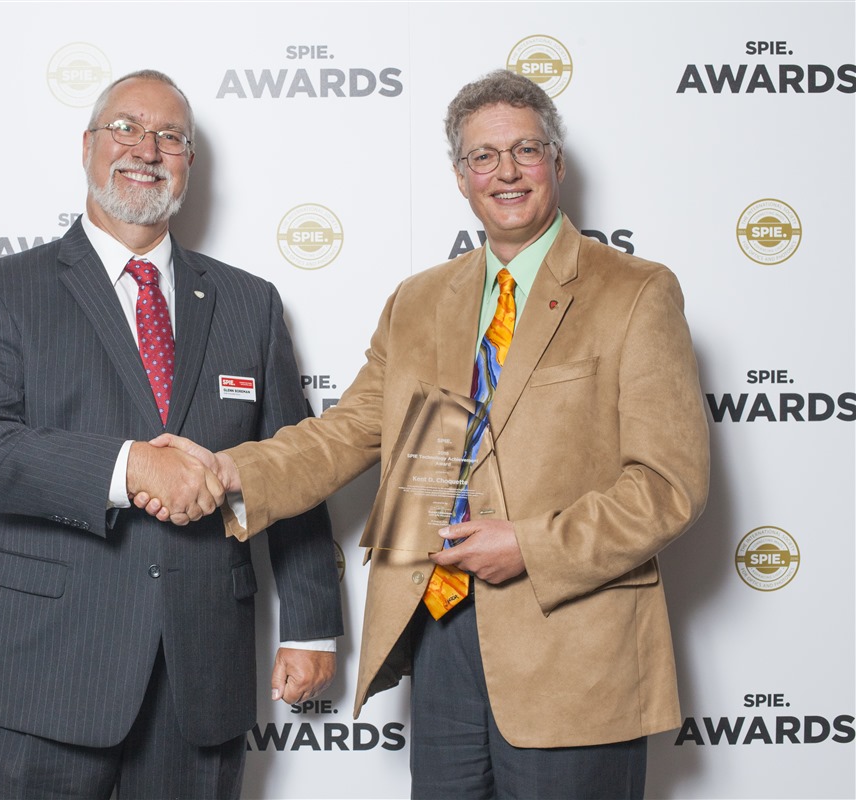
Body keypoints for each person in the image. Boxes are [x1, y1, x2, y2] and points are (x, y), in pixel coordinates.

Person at [138, 69, 710, 798]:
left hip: (573, 652)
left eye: (526, 150)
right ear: (460, 177)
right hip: (439, 632)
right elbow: (345, 433)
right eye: (482, 157)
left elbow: (669, 486)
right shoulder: (418, 301)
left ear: (557, 164)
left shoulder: (636, 292)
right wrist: (223, 470)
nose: (505, 171)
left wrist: (531, 545)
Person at [0, 69, 343, 800]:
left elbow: (297, 466)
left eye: (171, 137)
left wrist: (311, 626)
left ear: (190, 161)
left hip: (200, 679)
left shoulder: (249, 304)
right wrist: (129, 468)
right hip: (42, 677)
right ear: (88, 145)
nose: (146, 149)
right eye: (125, 127)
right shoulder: (3, 290)